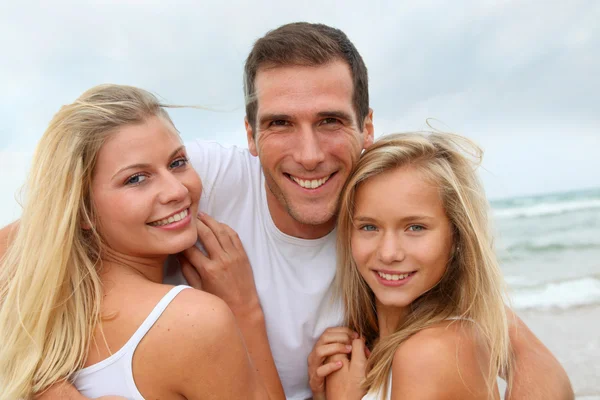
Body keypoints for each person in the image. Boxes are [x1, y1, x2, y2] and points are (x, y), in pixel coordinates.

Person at [0, 22, 572, 400]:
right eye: (279, 123)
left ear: (366, 128)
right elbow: (48, 225)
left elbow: (538, 369)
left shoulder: (388, 221)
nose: (308, 153)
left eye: (330, 120)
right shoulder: (191, 181)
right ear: (249, 133)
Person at [0, 84, 274, 399]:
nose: (176, 191)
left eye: (177, 162)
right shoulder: (195, 321)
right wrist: (244, 311)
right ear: (82, 210)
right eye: (136, 179)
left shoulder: (37, 317)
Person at [312, 132, 514, 399]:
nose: (389, 253)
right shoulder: (372, 347)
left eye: (415, 227)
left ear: (456, 237)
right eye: (369, 227)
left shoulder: (430, 351)